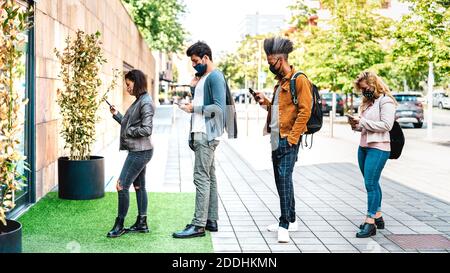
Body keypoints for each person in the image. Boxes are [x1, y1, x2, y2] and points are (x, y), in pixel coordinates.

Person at [173, 41, 236, 239]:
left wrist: (194, 109)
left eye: (195, 61)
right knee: (210, 176)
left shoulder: (215, 76)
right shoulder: (205, 77)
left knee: (200, 177)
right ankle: (211, 220)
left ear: (206, 58)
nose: (193, 65)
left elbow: (218, 109)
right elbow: (203, 102)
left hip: (206, 134)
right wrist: (193, 90)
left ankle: (198, 224)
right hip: (204, 132)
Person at [254, 37, 312, 243]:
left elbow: (305, 111)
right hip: (276, 138)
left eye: (271, 63)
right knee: (281, 180)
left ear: (280, 59)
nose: (270, 66)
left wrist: (293, 138)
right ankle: (292, 219)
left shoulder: (299, 79)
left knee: (284, 177)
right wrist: (265, 102)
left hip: (289, 139)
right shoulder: (280, 83)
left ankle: (284, 224)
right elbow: (280, 110)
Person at [348, 71, 396, 238]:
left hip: (379, 147)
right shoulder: (368, 103)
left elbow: (386, 125)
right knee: (372, 183)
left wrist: (363, 122)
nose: (363, 92)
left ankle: (370, 223)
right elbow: (365, 126)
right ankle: (378, 216)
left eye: (364, 88)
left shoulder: (386, 101)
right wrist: (355, 124)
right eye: (361, 89)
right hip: (364, 147)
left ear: (373, 84)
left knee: (370, 184)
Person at [107, 69, 155, 238]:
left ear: (137, 82)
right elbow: (129, 124)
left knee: (121, 185)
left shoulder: (145, 102)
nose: (127, 88)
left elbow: (147, 129)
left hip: (140, 152)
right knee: (139, 186)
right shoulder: (139, 100)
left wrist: (129, 131)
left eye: (128, 84)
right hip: (140, 150)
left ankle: (119, 225)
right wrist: (117, 115)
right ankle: (142, 223)